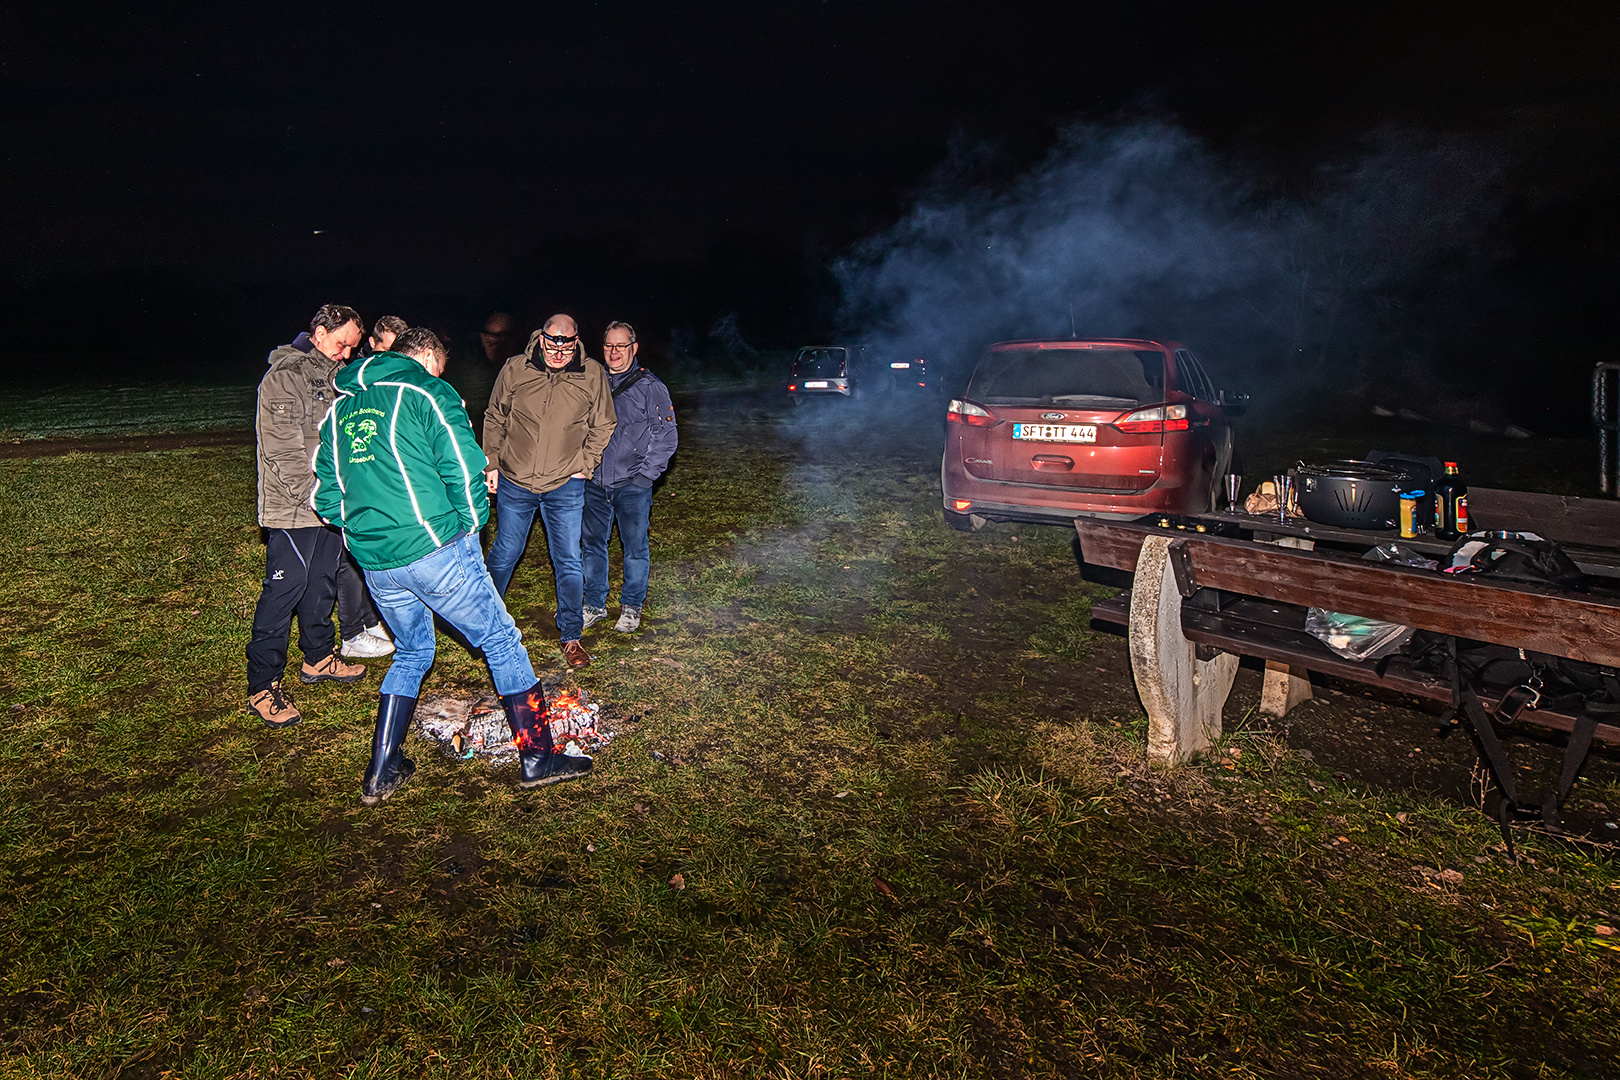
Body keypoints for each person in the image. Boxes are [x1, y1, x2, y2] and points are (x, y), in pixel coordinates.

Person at [313, 327, 592, 801]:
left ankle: (383, 770)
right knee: (502, 641)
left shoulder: (341, 409)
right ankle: (538, 755)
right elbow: (465, 470)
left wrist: (365, 535)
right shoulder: (427, 390)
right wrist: (469, 526)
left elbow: (326, 494)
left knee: (413, 651)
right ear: (425, 356)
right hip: (436, 547)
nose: (442, 375)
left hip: (377, 561)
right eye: (440, 366)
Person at [246, 304, 369, 728]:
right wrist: (317, 497)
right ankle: (264, 683)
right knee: (285, 590)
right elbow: (284, 450)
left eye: (352, 348)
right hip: (296, 506)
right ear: (318, 332)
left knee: (322, 583)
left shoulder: (335, 376)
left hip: (329, 503)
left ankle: (318, 658)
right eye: (341, 345)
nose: (346, 355)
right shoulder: (285, 377)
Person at [482, 314, 616, 669]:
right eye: (553, 341)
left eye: (566, 342)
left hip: (565, 484)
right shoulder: (515, 369)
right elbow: (495, 416)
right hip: (515, 479)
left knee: (568, 560)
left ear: (576, 342)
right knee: (505, 551)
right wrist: (491, 463)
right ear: (541, 338)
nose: (559, 350)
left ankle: (571, 635)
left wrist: (584, 465)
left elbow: (603, 423)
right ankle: (484, 623)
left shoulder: (592, 374)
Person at [582, 321, 678, 634]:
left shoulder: (651, 387)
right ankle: (594, 603)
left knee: (635, 548)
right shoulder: (591, 382)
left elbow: (667, 437)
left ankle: (632, 606)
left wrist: (644, 477)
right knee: (593, 546)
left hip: (631, 485)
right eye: (609, 345)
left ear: (633, 349)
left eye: (621, 346)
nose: (614, 352)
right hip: (594, 484)